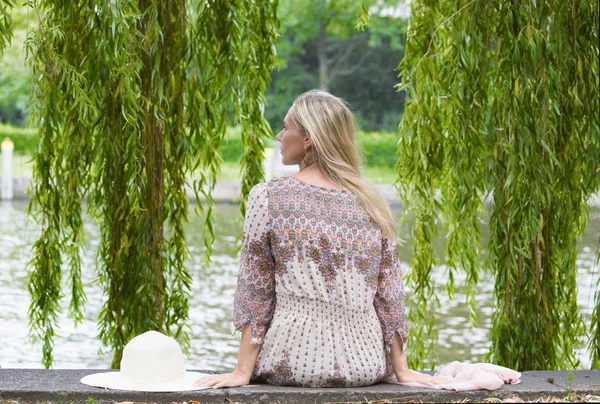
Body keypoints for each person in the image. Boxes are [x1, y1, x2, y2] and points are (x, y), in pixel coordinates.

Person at [194, 90, 444, 389]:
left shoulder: (269, 197)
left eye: (286, 127)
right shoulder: (372, 201)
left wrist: (241, 372)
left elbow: (256, 290)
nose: (278, 135)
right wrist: (402, 371)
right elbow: (389, 295)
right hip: (364, 365)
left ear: (309, 138)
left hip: (290, 360)